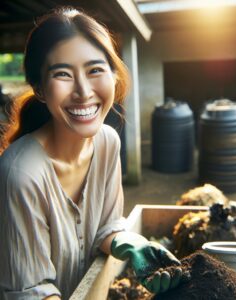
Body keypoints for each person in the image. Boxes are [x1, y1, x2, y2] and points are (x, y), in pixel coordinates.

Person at [0, 7, 182, 300]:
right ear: (40, 89)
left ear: (114, 75)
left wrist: (129, 243)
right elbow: (31, 292)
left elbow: (104, 229)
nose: (83, 91)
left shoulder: (108, 143)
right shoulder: (20, 174)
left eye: (95, 69)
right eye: (63, 74)